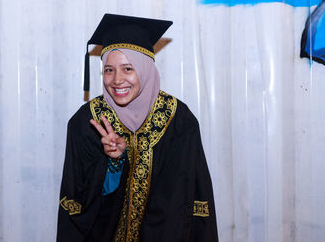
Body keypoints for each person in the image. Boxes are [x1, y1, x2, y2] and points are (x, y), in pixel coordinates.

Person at [57, 14, 218, 242]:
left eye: (128, 69)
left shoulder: (178, 121)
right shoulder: (86, 122)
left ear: (145, 69)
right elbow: (79, 201)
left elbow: (183, 199)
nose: (117, 80)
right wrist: (114, 163)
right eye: (109, 70)